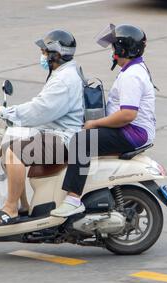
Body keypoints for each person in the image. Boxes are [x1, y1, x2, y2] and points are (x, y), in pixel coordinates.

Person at [51, 24, 157, 217]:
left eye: (114, 47)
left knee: (81, 142)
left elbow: (127, 115)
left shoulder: (132, 76)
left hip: (132, 132)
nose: (112, 51)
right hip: (133, 130)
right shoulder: (134, 69)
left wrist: (95, 123)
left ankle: (73, 199)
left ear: (122, 49)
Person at [0, 29, 84, 226]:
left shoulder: (64, 80)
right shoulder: (63, 73)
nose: (43, 56)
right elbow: (41, 106)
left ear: (56, 54)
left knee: (15, 153)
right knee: (6, 149)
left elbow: (40, 110)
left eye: (45, 52)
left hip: (63, 137)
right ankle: (23, 205)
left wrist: (6, 113)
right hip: (55, 132)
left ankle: (10, 209)